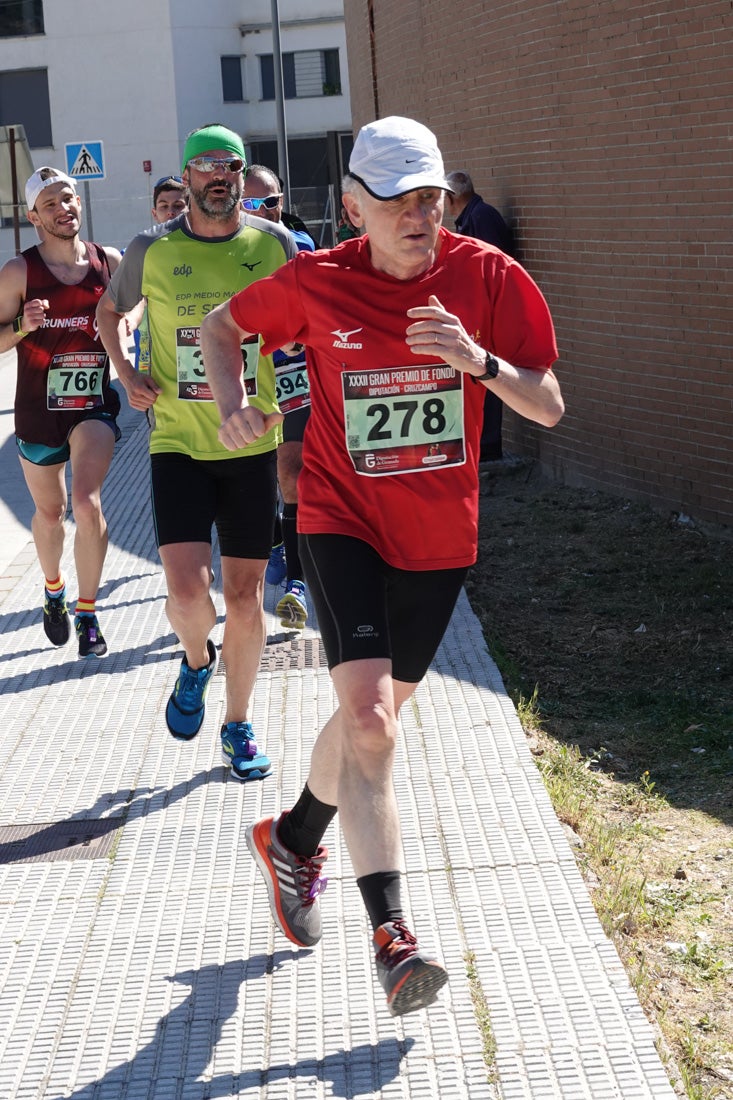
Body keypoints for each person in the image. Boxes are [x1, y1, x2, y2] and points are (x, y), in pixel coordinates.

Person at [200, 116, 564, 1016]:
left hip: (440, 538)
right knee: (369, 724)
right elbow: (219, 328)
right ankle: (393, 937)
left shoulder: (486, 278)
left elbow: (549, 406)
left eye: (432, 199)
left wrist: (477, 363)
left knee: (373, 726)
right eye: (397, 202)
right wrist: (234, 401)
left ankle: (291, 839)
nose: (419, 217)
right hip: (339, 518)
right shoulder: (315, 282)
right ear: (353, 205)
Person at [96, 124, 297, 781]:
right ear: (185, 178)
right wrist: (127, 377)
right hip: (177, 442)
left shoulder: (272, 244)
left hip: (249, 446)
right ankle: (195, 662)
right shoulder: (149, 250)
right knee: (188, 591)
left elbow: (301, 332)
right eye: (205, 166)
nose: (218, 176)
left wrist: (283, 404)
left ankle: (237, 725)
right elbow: (108, 313)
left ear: (242, 177)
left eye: (230, 166)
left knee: (243, 599)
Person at [0, 167, 123, 658]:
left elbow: (133, 311)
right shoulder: (18, 272)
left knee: (87, 502)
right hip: (37, 413)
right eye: (50, 203)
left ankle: (88, 612)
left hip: (93, 406)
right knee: (51, 514)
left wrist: (126, 327)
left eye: (67, 198)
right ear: (34, 216)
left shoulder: (107, 262)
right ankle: (54, 591)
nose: (63, 208)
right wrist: (19, 326)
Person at [242, 164, 315, 631]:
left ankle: (298, 581)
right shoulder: (225, 249)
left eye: (273, 201)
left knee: (291, 471)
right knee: (258, 477)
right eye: (254, 204)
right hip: (248, 377)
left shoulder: (300, 246)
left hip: (294, 375)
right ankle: (274, 538)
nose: (267, 211)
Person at [445, 169, 516, 463]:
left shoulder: (481, 218)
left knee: (486, 374)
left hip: (490, 316)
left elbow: (493, 268)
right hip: (478, 314)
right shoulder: (471, 218)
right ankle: (481, 444)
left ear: (452, 198)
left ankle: (488, 447)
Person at [131, 176, 190, 376]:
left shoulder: (207, 251)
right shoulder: (138, 253)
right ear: (155, 213)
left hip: (198, 364)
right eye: (164, 206)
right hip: (154, 370)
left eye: (178, 205)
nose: (171, 212)